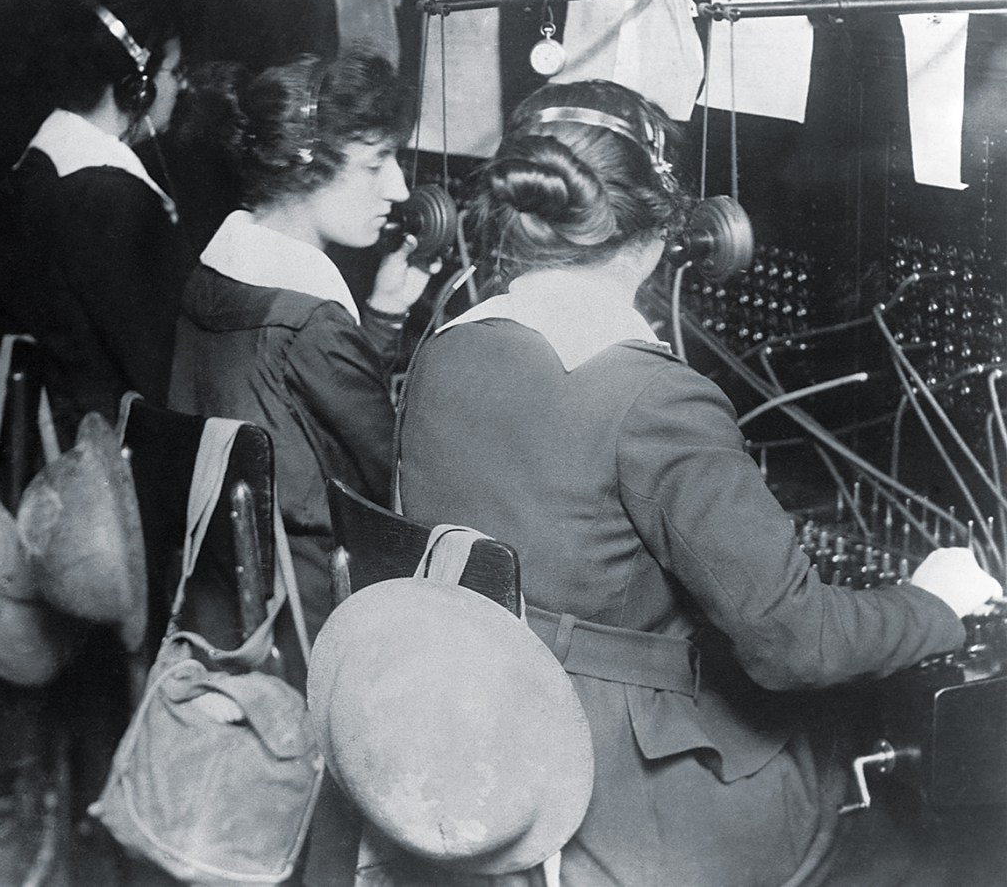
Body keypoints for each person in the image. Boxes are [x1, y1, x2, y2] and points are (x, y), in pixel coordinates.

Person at [395, 79, 1002, 887]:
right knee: (919, 831)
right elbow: (796, 643)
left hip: (469, 747)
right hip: (612, 802)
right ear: (664, 232)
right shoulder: (653, 396)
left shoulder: (445, 350)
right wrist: (938, 605)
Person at [166, 48, 433, 657]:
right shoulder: (310, 321)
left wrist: (382, 316)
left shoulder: (212, 278)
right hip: (312, 619)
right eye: (376, 162)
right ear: (306, 165)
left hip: (222, 598)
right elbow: (393, 483)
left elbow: (299, 419)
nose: (399, 187)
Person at [0, 0, 195, 446]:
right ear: (137, 86)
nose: (182, 86)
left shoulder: (37, 170)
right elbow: (167, 377)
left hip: (59, 446)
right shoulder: (113, 201)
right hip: (118, 463)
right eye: (175, 72)